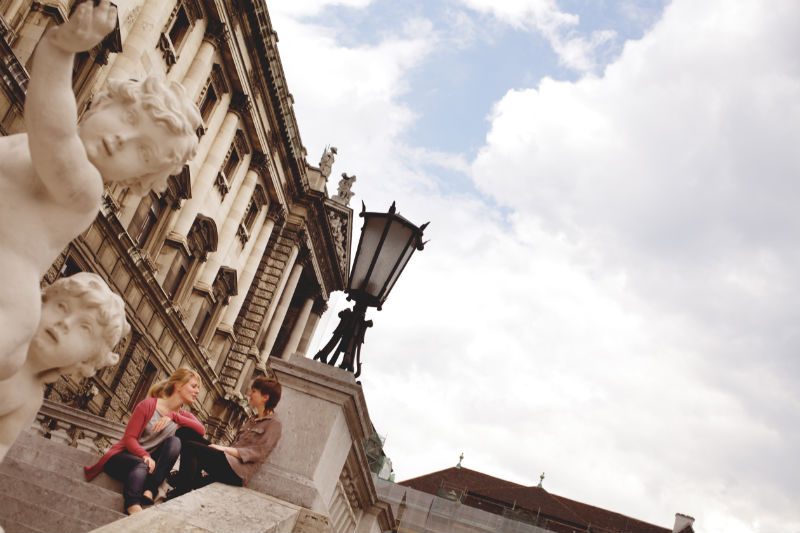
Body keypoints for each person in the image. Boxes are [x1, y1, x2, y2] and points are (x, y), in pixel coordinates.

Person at [0, 0, 202, 381]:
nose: (119, 139)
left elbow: (55, 131)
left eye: (142, 151)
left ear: (139, 181)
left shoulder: (84, 189)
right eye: (128, 118)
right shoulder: (26, 146)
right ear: (105, 100)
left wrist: (59, 50)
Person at [0, 272, 129, 463]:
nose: (65, 323)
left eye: (85, 327)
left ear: (87, 359)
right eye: (62, 307)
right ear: (42, 301)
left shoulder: (30, 398)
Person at [84, 368, 205, 515]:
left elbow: (201, 430)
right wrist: (145, 455)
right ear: (178, 386)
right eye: (194, 386)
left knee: (175, 442)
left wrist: (174, 417)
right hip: (122, 458)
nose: (197, 391)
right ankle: (133, 505)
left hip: (150, 468)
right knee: (141, 464)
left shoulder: (181, 416)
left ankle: (150, 489)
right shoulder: (148, 405)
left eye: (198, 388)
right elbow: (129, 439)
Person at [168, 376, 282, 499]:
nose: (249, 394)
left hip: (237, 471)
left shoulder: (274, 424)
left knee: (191, 447)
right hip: (227, 460)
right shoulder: (252, 419)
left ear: (265, 397)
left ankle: (182, 489)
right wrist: (221, 450)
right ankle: (191, 480)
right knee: (185, 433)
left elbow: (258, 453)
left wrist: (223, 449)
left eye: (254, 391)